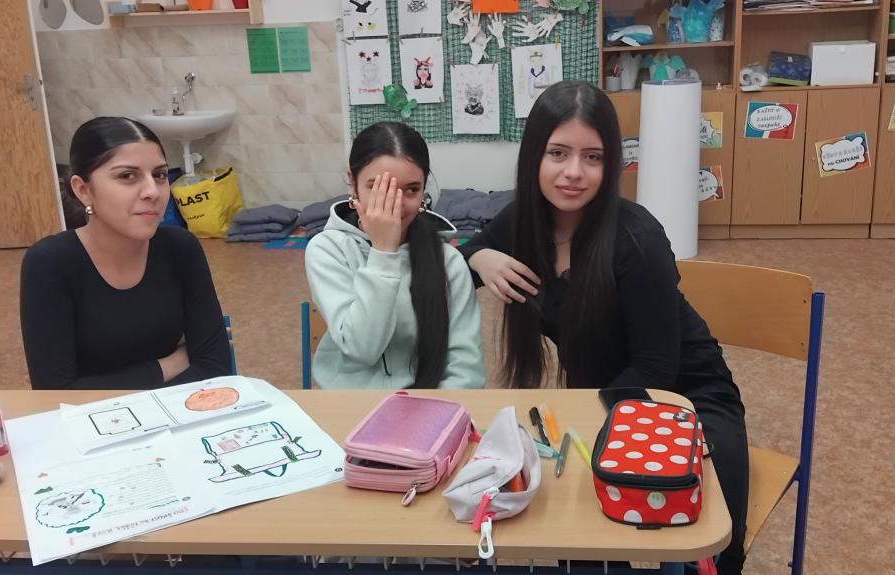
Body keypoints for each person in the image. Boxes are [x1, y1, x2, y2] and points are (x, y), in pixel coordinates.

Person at [459, 81, 749, 574]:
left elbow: (656, 367)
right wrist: (480, 256)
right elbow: (462, 259)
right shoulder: (522, 222)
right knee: (581, 526)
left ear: (611, 164)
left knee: (697, 539)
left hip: (685, 399)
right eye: (558, 153)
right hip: (604, 397)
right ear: (533, 157)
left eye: (592, 157)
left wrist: (594, 424)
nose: (574, 172)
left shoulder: (637, 237)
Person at [20, 117, 233, 390]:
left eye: (159, 175)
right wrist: (173, 362)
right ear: (83, 190)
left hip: (181, 412)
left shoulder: (180, 248)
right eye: (127, 176)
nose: (152, 192)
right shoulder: (51, 263)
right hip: (103, 419)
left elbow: (215, 367)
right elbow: (55, 392)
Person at [305, 122, 484, 390]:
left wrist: (439, 410)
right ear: (352, 182)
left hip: (428, 403)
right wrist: (383, 253)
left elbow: (466, 370)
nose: (394, 205)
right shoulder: (328, 250)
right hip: (350, 403)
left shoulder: (448, 261)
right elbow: (361, 349)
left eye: (411, 189)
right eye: (379, 188)